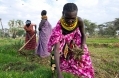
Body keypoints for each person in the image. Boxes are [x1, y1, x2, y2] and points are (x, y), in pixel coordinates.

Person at [48, 3, 94, 78]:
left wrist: (81, 49)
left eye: (73, 18)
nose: (70, 21)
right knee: (60, 56)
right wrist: (59, 74)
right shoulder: (59, 26)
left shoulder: (79, 21)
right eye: (67, 18)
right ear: (63, 14)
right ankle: (60, 70)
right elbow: (56, 50)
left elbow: (83, 35)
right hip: (63, 42)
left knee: (83, 59)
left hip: (75, 40)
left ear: (76, 15)